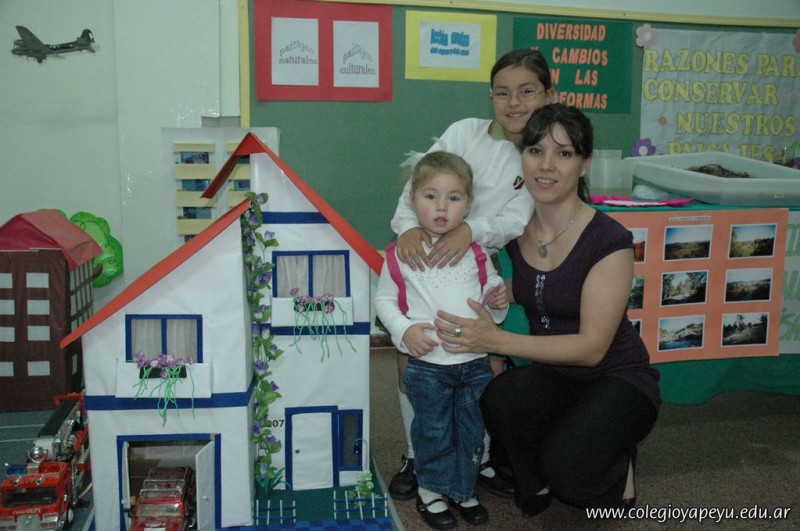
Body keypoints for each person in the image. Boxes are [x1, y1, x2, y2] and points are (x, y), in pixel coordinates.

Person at [433, 103, 661, 516]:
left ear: (585, 164)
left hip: (616, 377)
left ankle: (618, 458)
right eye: (536, 151)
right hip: (556, 375)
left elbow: (592, 349)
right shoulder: (515, 229)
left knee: (572, 478)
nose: (546, 165)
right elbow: (529, 285)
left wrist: (497, 339)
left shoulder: (609, 241)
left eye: (564, 153)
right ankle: (540, 471)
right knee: (499, 400)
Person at [387, 48, 557, 502]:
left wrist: (469, 231)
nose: (514, 103)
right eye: (502, 93)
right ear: (491, 97)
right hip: (422, 254)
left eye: (526, 91)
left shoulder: (539, 156)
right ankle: (417, 455)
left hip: (478, 263)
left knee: (483, 364)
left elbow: (515, 218)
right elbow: (419, 181)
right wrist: (407, 228)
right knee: (415, 357)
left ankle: (475, 456)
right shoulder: (464, 132)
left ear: (548, 94)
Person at [374, 151, 510, 529]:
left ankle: (462, 489)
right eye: (431, 196)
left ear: (468, 204)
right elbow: (384, 301)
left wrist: (496, 302)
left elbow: (490, 304)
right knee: (433, 430)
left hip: (474, 363)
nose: (441, 207)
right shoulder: (401, 252)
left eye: (453, 198)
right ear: (412, 199)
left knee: (471, 430)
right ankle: (430, 491)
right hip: (429, 367)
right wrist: (404, 331)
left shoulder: (477, 253)